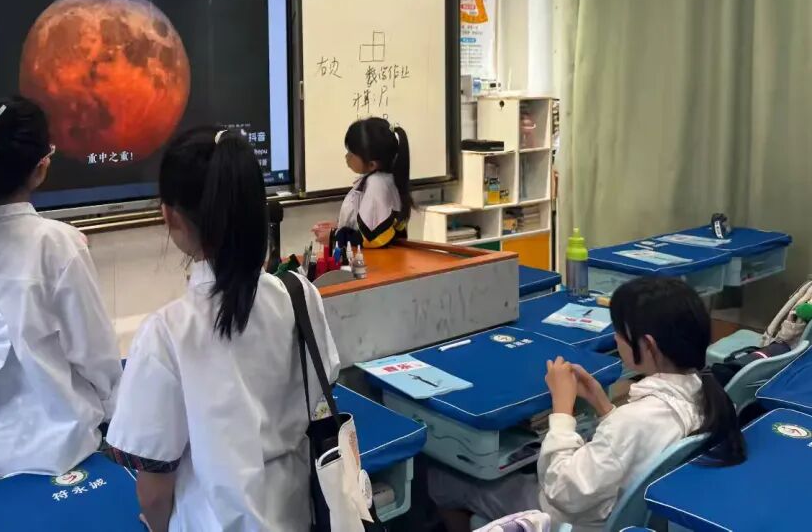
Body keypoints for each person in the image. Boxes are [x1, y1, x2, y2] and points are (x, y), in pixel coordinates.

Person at [106, 127, 340, 532]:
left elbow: (154, 489)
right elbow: (323, 388)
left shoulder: (166, 334)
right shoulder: (299, 294)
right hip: (297, 514)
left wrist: (157, 525)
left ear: (170, 216)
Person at [430, 276, 746, 532]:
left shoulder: (634, 421)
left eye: (619, 332)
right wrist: (602, 404)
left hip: (574, 520)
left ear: (647, 345)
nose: (616, 339)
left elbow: (562, 491)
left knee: (443, 480)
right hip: (635, 515)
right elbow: (636, 446)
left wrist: (562, 409)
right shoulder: (709, 395)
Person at [0, 96, 121, 483]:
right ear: (40, 168)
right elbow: (96, 357)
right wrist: (115, 413)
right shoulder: (56, 244)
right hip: (64, 452)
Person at [313, 117, 413, 249]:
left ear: (372, 164)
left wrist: (334, 236)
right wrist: (340, 226)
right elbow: (365, 223)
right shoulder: (380, 179)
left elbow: (370, 238)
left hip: (375, 260)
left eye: (351, 153)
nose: (346, 157)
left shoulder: (376, 184)